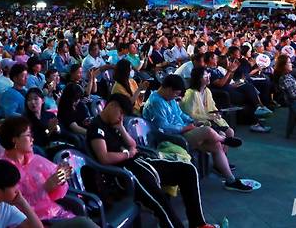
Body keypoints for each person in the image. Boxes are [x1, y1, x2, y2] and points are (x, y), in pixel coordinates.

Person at [88, 94, 217, 228]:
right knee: (159, 201)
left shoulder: (114, 123)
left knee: (188, 170)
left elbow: (132, 145)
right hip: (124, 173)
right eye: (120, 113)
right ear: (112, 105)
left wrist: (121, 127)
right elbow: (104, 158)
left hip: (140, 162)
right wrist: (127, 154)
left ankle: (198, 223)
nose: (121, 117)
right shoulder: (97, 127)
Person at [142, 74, 250, 192]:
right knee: (209, 131)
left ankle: (231, 180)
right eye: (175, 93)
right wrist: (184, 128)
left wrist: (193, 122)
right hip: (171, 137)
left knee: (216, 145)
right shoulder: (156, 102)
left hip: (183, 132)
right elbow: (163, 128)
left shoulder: (169, 99)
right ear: (168, 89)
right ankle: (224, 139)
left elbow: (180, 115)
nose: (176, 97)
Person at [0, 116, 97, 227]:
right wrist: (45, 188)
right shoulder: (4, 172)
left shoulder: (36, 160)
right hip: (36, 223)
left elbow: (57, 195)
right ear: (14, 140)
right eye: (28, 135)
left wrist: (60, 180)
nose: (32, 139)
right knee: (84, 224)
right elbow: (16, 210)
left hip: (56, 214)